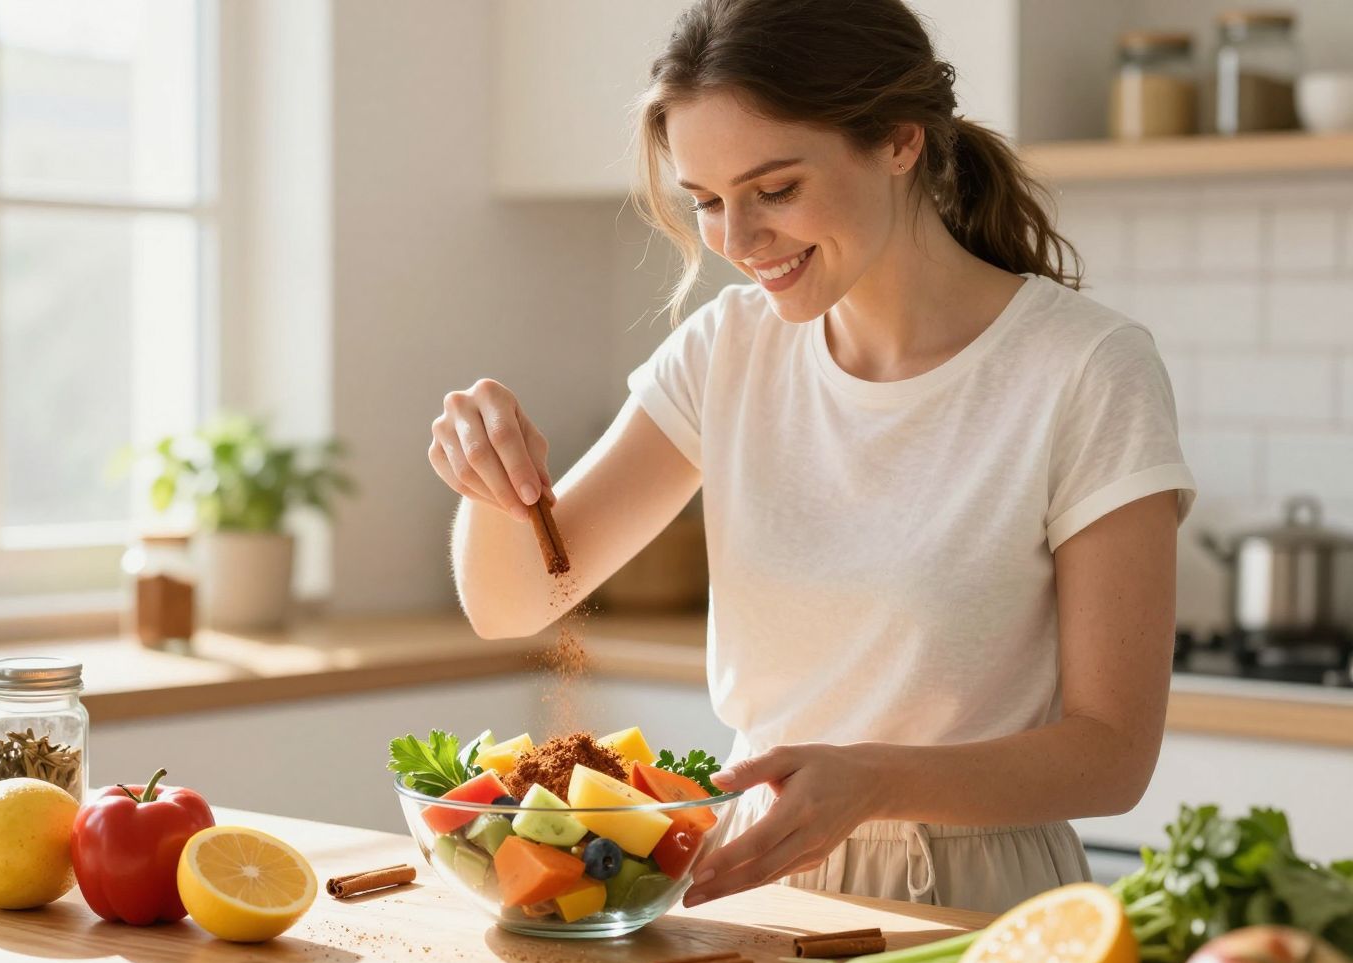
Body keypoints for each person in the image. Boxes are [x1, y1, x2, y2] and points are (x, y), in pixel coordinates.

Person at [427, 0, 1195, 915]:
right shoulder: (728, 350)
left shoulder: (1084, 369)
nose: (737, 242)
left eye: (776, 190)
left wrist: (873, 781)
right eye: (706, 203)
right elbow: (515, 603)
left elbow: (1112, 757)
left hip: (977, 905)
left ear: (900, 141)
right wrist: (488, 481)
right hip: (758, 882)